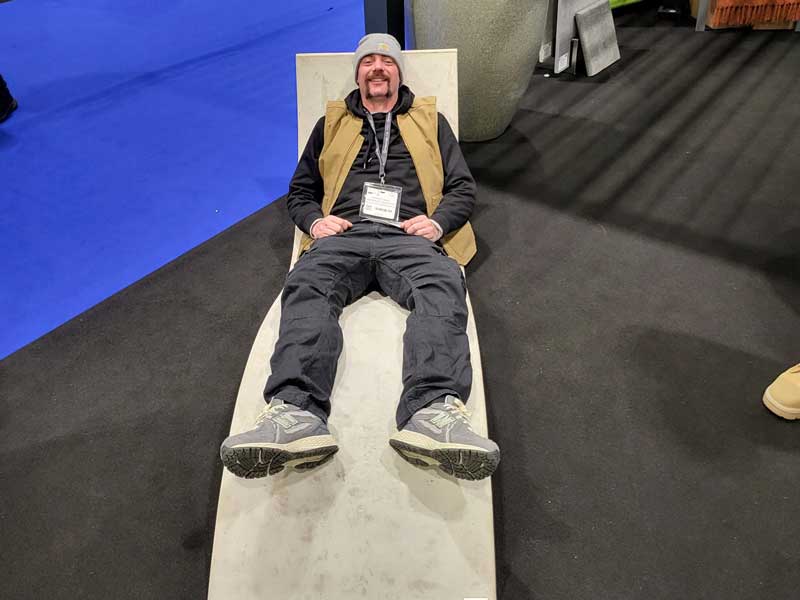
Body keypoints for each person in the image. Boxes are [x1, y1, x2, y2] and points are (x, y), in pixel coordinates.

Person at [220, 33, 500, 481]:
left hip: (408, 234)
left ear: (397, 73)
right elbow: (300, 191)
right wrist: (314, 223)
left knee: (443, 286)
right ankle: (295, 415)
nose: (376, 68)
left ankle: (434, 413)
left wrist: (437, 223)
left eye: (386, 62)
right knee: (307, 286)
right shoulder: (331, 123)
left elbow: (462, 187)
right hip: (343, 234)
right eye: (367, 61)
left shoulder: (430, 120)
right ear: (357, 74)